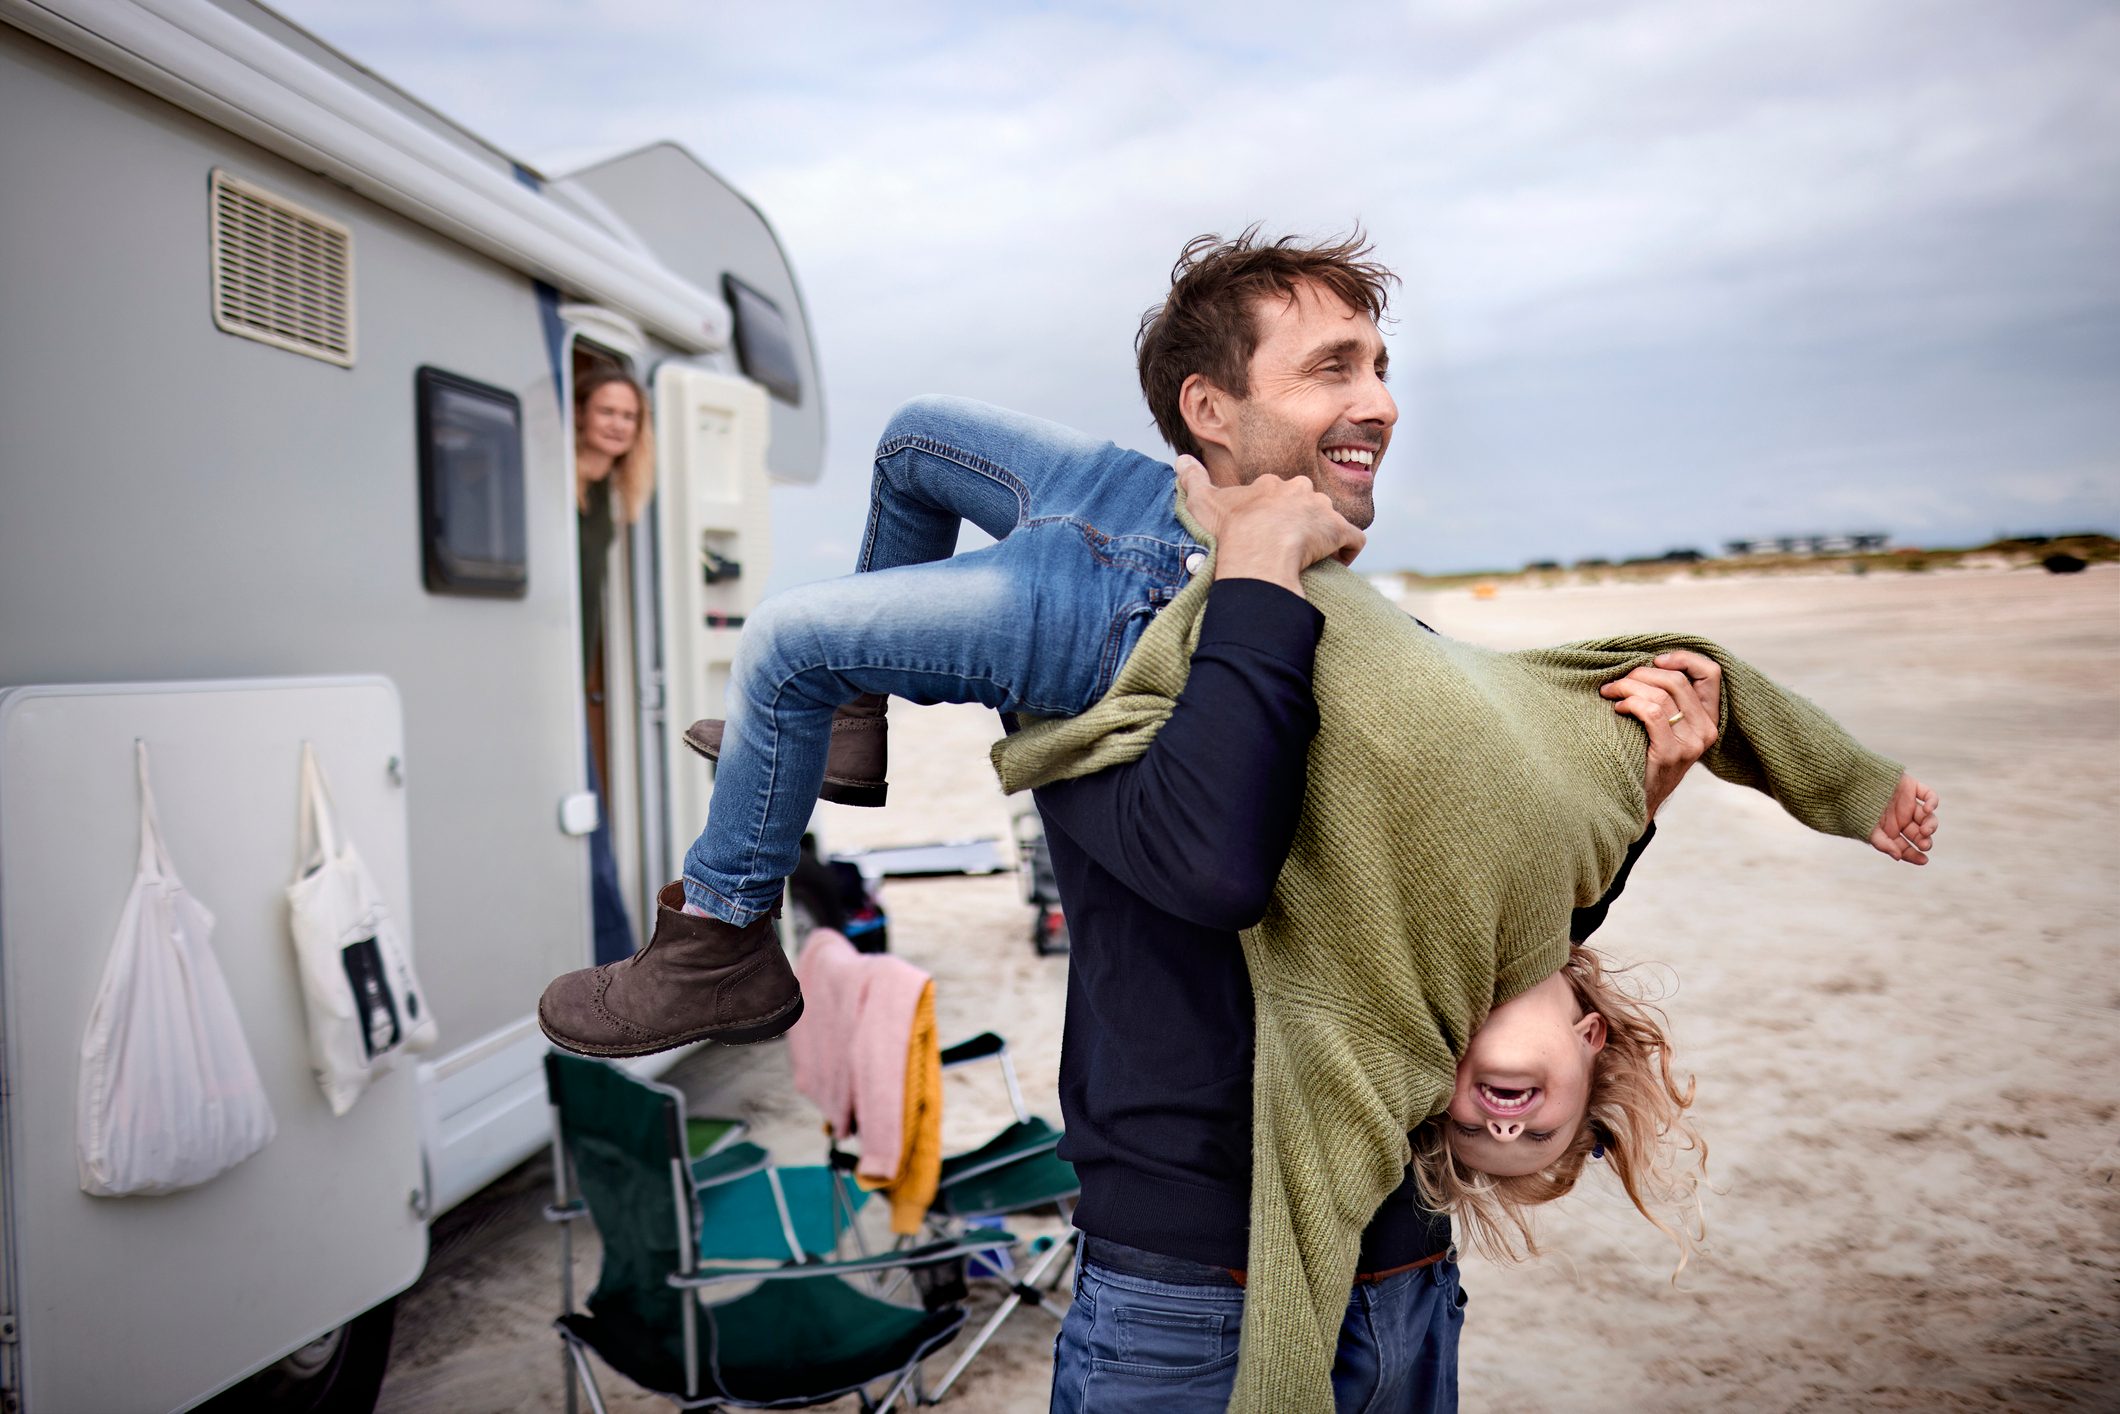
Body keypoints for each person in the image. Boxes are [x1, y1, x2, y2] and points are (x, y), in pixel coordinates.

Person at [535, 232, 1938, 1406]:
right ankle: (829, 750)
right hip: (1234, 1285)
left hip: (1262, 1282)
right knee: (898, 462)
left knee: (798, 628)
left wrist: (1265, 575)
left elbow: (1346, 887)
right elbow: (1454, 889)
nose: (1383, 396)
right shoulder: (1346, 635)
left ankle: (734, 911)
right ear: (1214, 409)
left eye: (1382, 363)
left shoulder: (1183, 668)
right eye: (1340, 363)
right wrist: (1654, 794)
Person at [573, 364, 655, 966]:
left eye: (628, 415)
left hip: (577, 669)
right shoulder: (560, 481)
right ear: (579, 413)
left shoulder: (608, 491)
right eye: (606, 411)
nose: (617, 425)